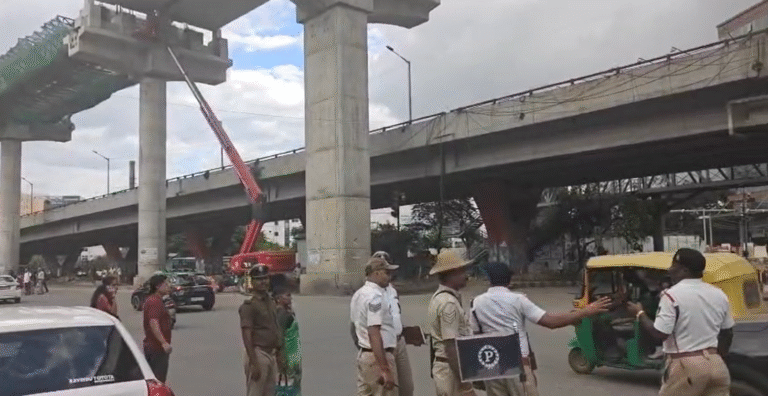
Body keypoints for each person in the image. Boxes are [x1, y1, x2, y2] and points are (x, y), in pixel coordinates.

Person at [470, 262, 611, 396]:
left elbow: (476, 335)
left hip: (492, 365)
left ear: (489, 280)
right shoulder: (517, 299)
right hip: (517, 365)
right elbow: (550, 322)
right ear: (509, 280)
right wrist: (585, 312)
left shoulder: (476, 302)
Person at [627, 248, 734, 396]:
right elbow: (727, 332)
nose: (669, 270)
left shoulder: (671, 296)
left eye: (673, 266)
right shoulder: (719, 294)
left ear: (684, 270)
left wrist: (639, 313)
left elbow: (659, 333)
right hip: (717, 365)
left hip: (686, 365)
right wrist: (715, 358)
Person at [427, 250, 476, 396]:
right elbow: (451, 345)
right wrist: (464, 381)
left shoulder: (440, 297)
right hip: (451, 369)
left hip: (446, 367)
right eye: (462, 272)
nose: (465, 276)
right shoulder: (448, 303)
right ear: (451, 274)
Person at [350, 257, 400, 396]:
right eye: (387, 273)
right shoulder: (375, 297)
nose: (389, 277)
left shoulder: (359, 294)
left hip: (364, 355)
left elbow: (355, 326)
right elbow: (374, 332)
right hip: (377, 357)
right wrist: (384, 368)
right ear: (376, 273)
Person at [373, 251, 416, 396]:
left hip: (399, 342)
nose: (388, 275)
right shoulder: (369, 294)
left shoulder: (392, 291)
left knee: (407, 388)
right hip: (384, 347)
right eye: (384, 271)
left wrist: (406, 332)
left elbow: (396, 316)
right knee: (391, 389)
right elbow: (356, 328)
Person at [239, 264, 285, 396]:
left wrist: (279, 352)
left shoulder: (270, 301)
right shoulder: (249, 305)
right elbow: (246, 335)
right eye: (259, 279)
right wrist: (254, 363)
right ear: (252, 282)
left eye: (265, 278)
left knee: (270, 393)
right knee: (256, 392)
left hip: (271, 353)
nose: (263, 282)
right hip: (258, 353)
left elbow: (275, 327)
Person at [143, 274, 173, 382]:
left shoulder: (157, 300)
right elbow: (153, 322)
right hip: (156, 348)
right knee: (158, 381)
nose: (168, 286)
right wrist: (163, 342)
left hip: (156, 347)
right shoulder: (154, 301)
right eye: (165, 284)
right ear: (157, 286)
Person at [274, 286, 301, 395]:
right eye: (287, 296)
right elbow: (279, 337)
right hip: (289, 356)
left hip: (294, 355)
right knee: (289, 387)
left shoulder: (286, 313)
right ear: (278, 299)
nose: (290, 298)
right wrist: (282, 359)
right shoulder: (282, 315)